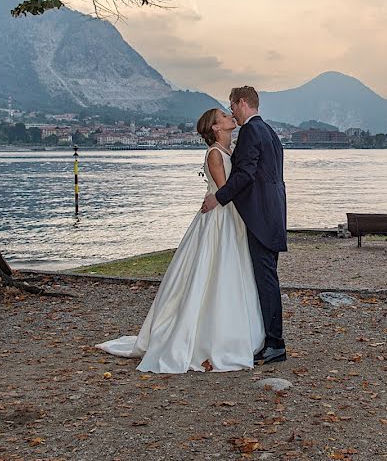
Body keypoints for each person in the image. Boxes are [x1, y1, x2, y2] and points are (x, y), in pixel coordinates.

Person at [95, 108, 264, 373]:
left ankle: (237, 331)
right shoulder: (216, 155)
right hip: (220, 219)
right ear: (216, 128)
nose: (230, 116)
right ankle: (210, 336)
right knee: (216, 271)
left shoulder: (228, 151)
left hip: (230, 217)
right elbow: (224, 192)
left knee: (231, 271)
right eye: (223, 115)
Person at [202, 85, 288, 365]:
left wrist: (219, 197)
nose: (231, 112)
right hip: (273, 213)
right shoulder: (270, 132)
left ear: (242, 103)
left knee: (266, 280)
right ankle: (269, 339)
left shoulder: (251, 131)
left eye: (232, 105)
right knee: (266, 278)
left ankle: (275, 343)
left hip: (260, 217)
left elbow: (247, 174)